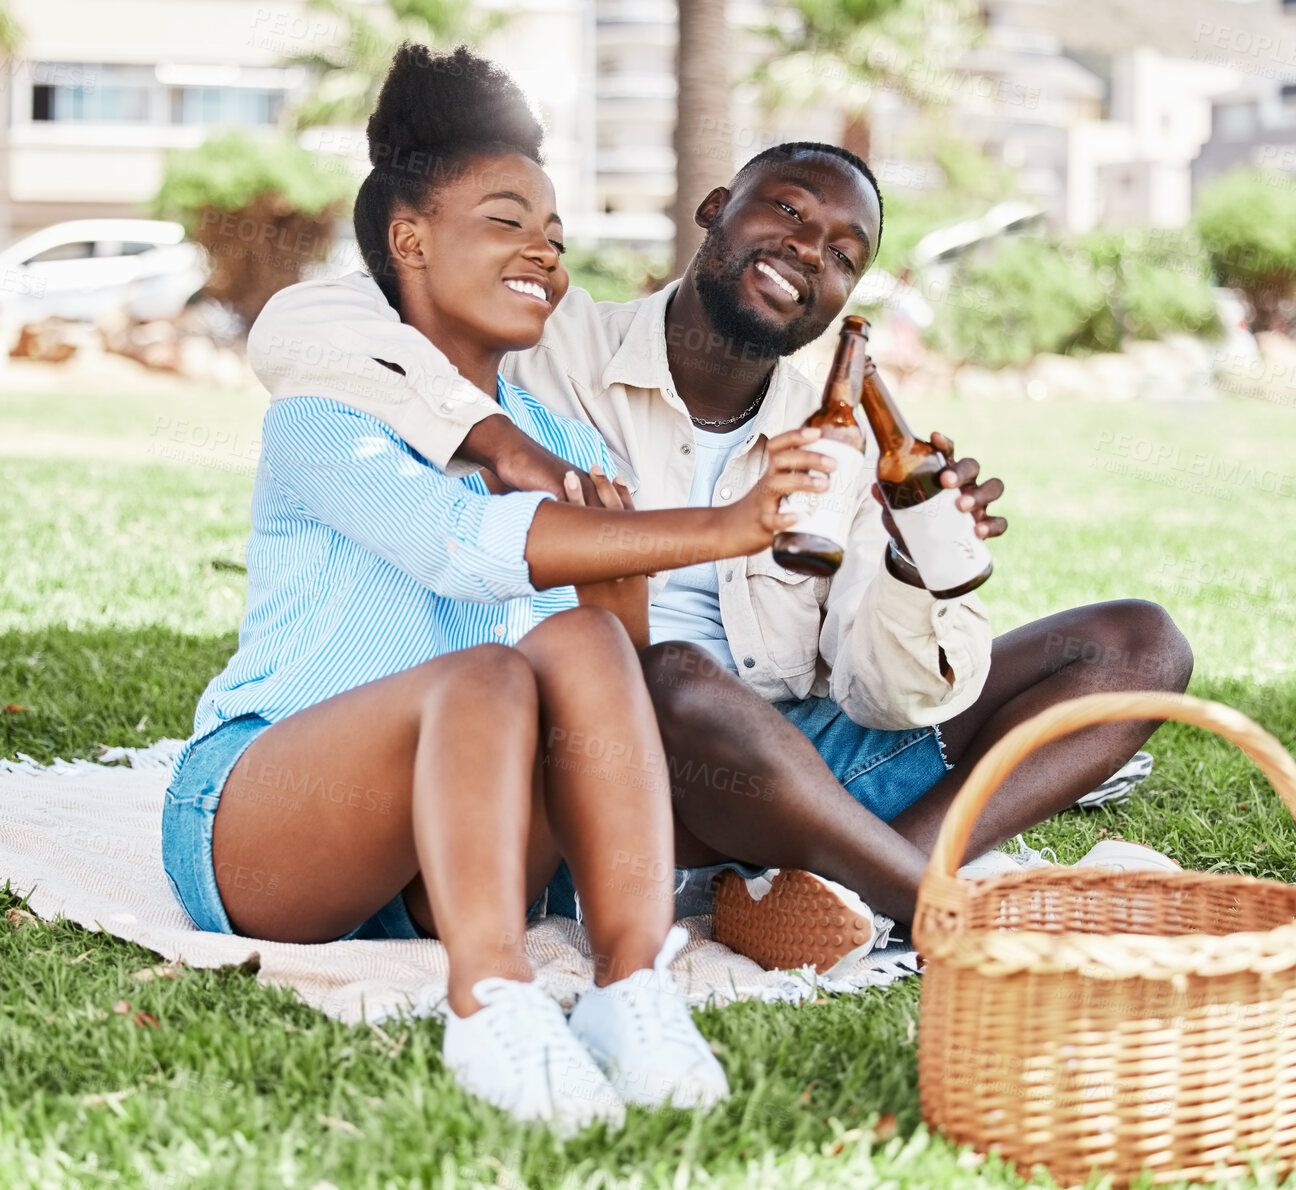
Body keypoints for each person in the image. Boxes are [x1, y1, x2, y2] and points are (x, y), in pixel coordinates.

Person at [250, 128, 1194, 971]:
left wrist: (913, 567)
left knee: (1137, 646)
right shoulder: (553, 343)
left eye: (841, 254)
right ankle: (918, 897)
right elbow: (310, 320)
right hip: (624, 751)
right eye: (785, 208)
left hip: (792, 759)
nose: (805, 249)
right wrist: (500, 441)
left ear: (843, 298)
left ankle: (855, 892)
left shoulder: (847, 437)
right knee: (675, 675)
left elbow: (884, 696)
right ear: (715, 210)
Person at [163, 45, 837, 1133]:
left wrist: (617, 560)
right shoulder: (324, 419)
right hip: (269, 823)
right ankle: (489, 999)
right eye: (506, 219)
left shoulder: (567, 443)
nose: (544, 250)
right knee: (476, 674)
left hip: (451, 855)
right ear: (409, 239)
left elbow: (603, 660)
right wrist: (719, 526)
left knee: (575, 654)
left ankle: (630, 985)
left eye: (556, 234)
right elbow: (458, 545)